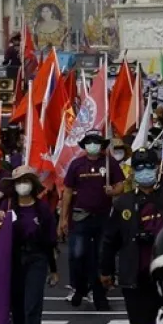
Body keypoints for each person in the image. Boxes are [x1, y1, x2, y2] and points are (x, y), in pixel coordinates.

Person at [99, 148, 163, 324]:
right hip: (136, 277)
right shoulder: (123, 203)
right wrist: (106, 270)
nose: (144, 170)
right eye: (139, 167)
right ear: (133, 171)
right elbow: (110, 239)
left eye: (149, 166)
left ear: (157, 168)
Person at [0, 167, 57, 324]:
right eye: (19, 181)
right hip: (13, 261)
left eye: (26, 180)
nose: (23, 184)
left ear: (32, 184)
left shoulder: (42, 210)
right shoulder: (6, 208)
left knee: (32, 307)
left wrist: (54, 269)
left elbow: (50, 240)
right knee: (18, 310)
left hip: (36, 260)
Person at [60, 130, 125, 310]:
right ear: (84, 145)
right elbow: (67, 191)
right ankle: (79, 287)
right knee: (77, 254)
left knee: (101, 257)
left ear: (102, 144)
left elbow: (121, 184)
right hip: (80, 216)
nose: (93, 145)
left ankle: (99, 295)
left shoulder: (109, 162)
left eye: (96, 141)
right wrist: (63, 219)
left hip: (104, 217)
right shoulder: (77, 165)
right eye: (89, 142)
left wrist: (113, 191)